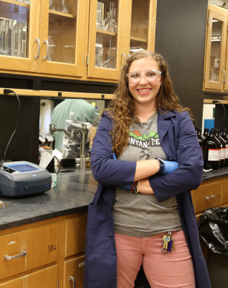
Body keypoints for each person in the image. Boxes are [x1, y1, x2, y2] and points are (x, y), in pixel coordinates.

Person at [84, 50, 211, 288]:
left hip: (168, 234)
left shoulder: (179, 119)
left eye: (151, 74)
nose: (143, 81)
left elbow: (192, 172)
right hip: (118, 235)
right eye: (135, 75)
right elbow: (101, 168)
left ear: (161, 79)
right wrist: (159, 165)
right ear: (127, 81)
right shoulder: (111, 119)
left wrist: (138, 184)